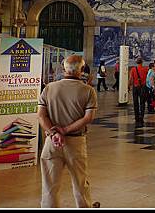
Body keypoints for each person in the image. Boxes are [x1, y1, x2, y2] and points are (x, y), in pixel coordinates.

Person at [37, 54, 99, 208]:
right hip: (75, 142)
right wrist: (64, 130)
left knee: (49, 186)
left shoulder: (49, 88)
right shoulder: (88, 91)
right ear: (82, 70)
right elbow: (88, 118)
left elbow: (41, 115)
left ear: (64, 68)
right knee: (80, 184)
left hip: (52, 143)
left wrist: (54, 132)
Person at [128, 58, 149, 126]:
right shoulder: (145, 69)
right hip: (143, 87)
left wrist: (128, 86)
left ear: (136, 62)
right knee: (142, 103)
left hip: (135, 87)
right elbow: (148, 78)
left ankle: (136, 117)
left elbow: (131, 79)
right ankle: (141, 117)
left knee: (135, 102)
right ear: (142, 62)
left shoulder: (133, 69)